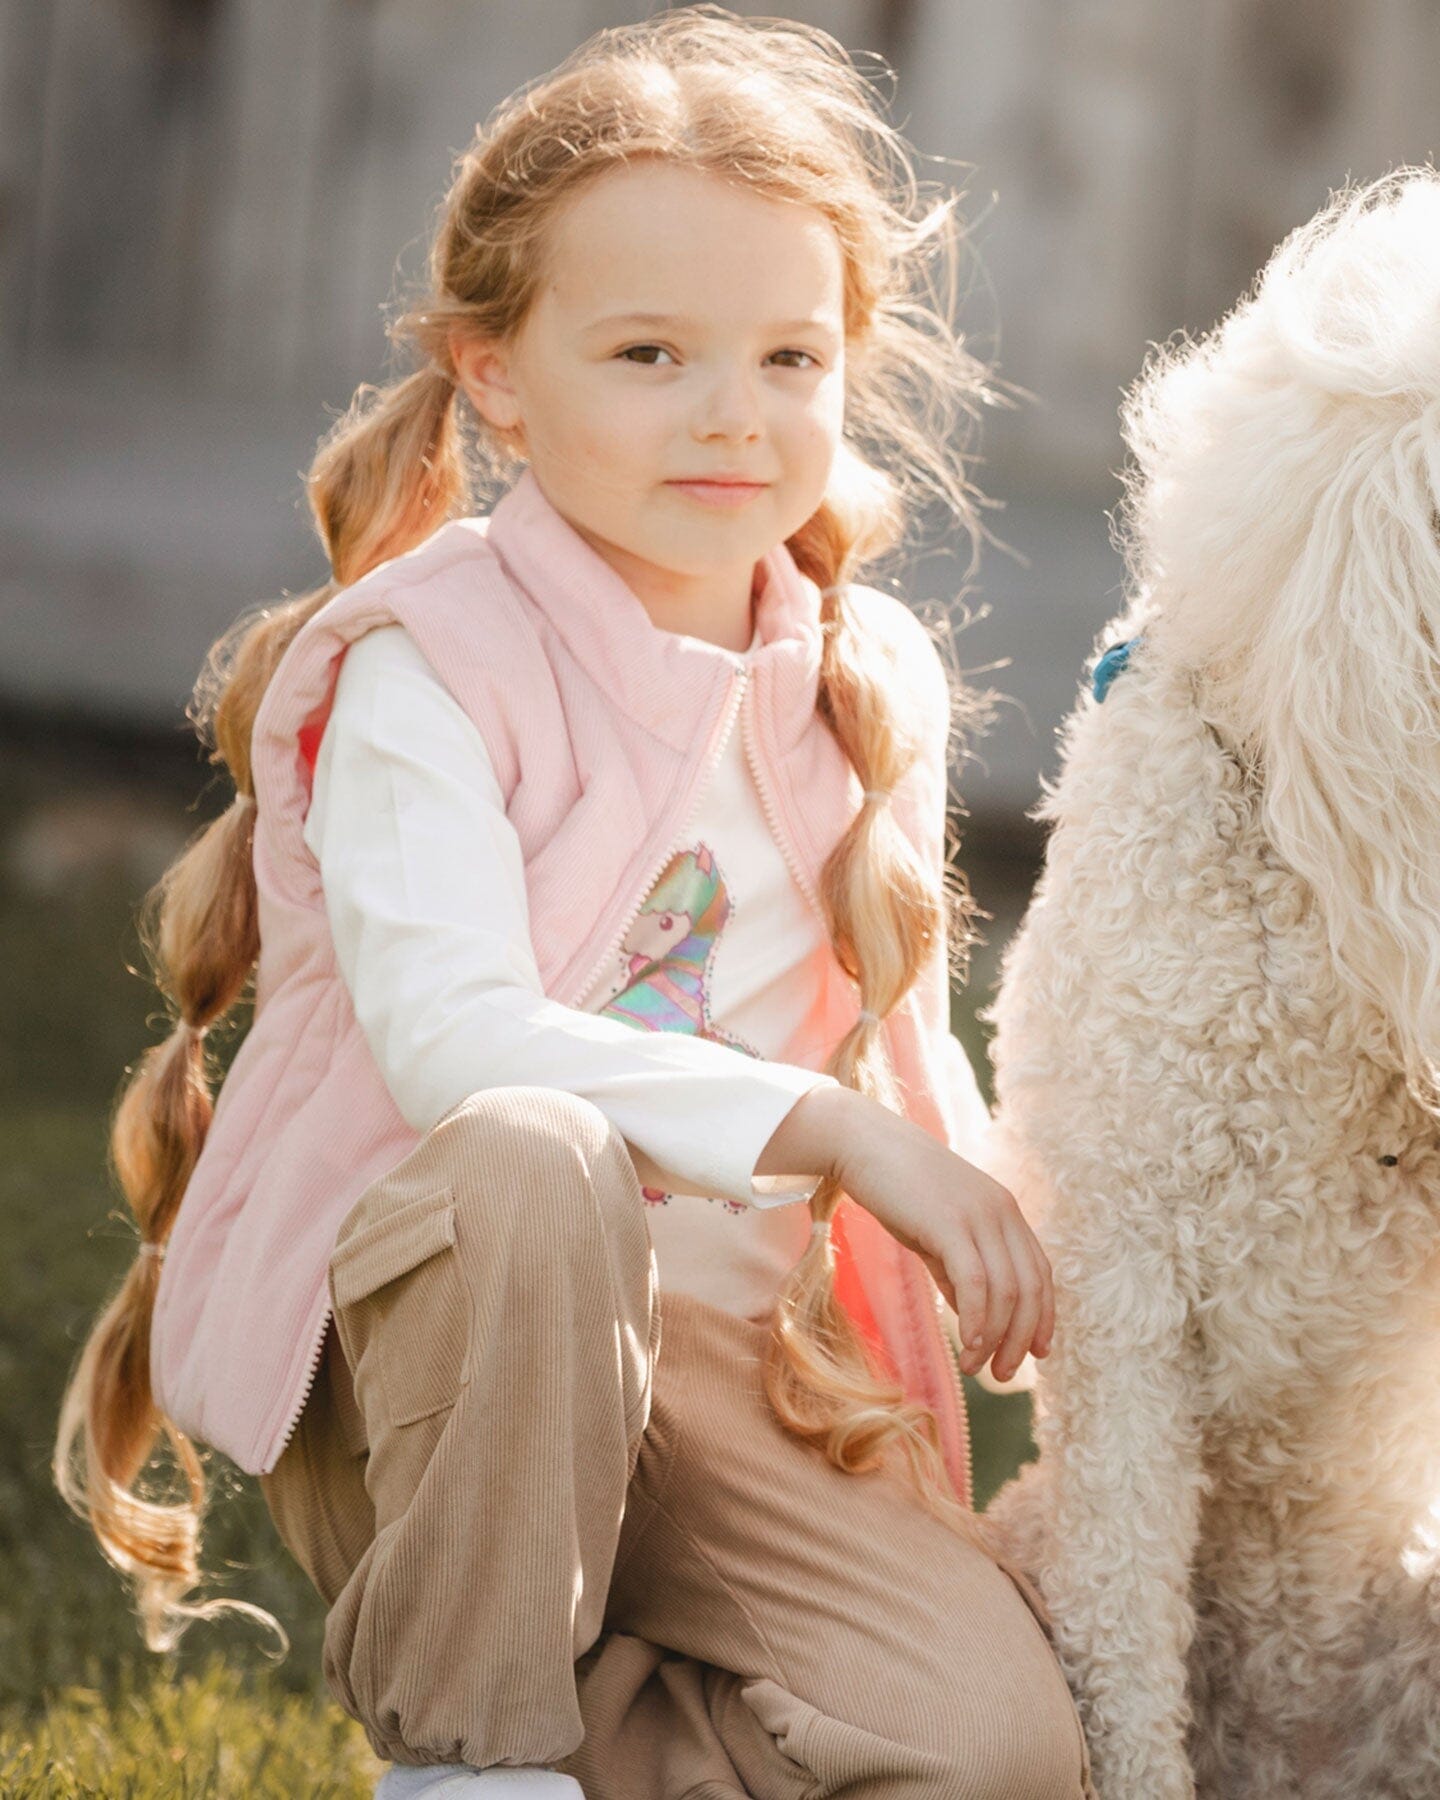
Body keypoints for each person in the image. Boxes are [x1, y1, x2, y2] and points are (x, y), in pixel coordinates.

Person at [53, 10, 1093, 1796]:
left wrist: (1006, 1213)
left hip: (722, 1363)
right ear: (496, 372)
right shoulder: (432, 663)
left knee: (996, 1760)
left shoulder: (861, 675)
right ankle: (472, 1755)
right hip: (439, 1335)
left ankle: (598, 1708)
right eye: (648, 352)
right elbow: (453, 1043)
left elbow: (906, 1050)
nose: (731, 414)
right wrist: (835, 1133)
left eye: (790, 355)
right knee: (540, 1147)